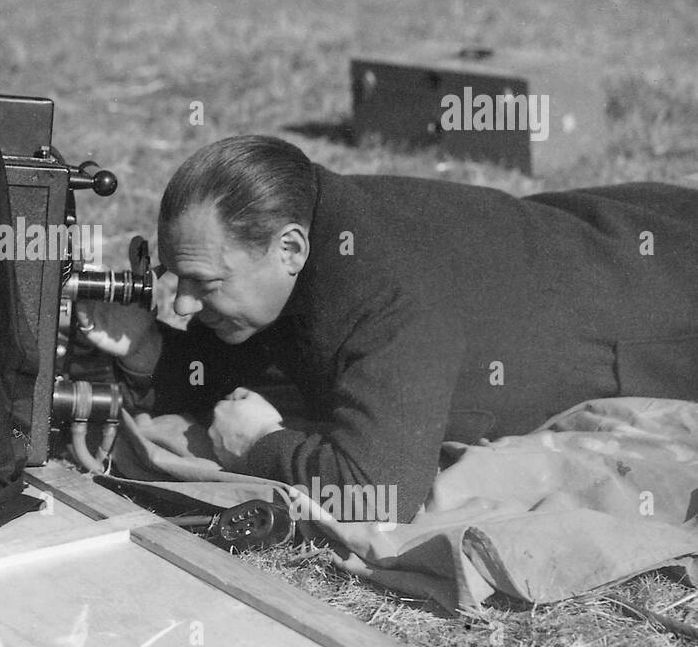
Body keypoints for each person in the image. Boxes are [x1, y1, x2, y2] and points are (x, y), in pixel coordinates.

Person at [78, 134, 698, 518]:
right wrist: (148, 351)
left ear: (291, 249)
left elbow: (380, 493)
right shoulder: (307, 220)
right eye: (174, 280)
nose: (181, 305)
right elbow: (249, 366)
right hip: (613, 232)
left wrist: (264, 448)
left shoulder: (386, 296)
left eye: (204, 285)